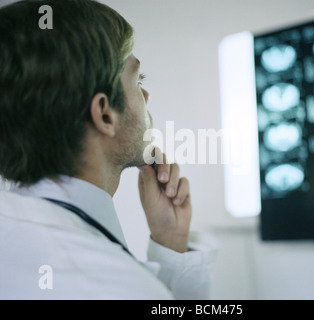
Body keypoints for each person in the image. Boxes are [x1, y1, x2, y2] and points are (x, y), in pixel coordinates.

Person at [0, 0, 218, 299]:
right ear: (104, 114)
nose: (146, 94)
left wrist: (171, 243)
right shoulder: (114, 285)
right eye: (137, 79)